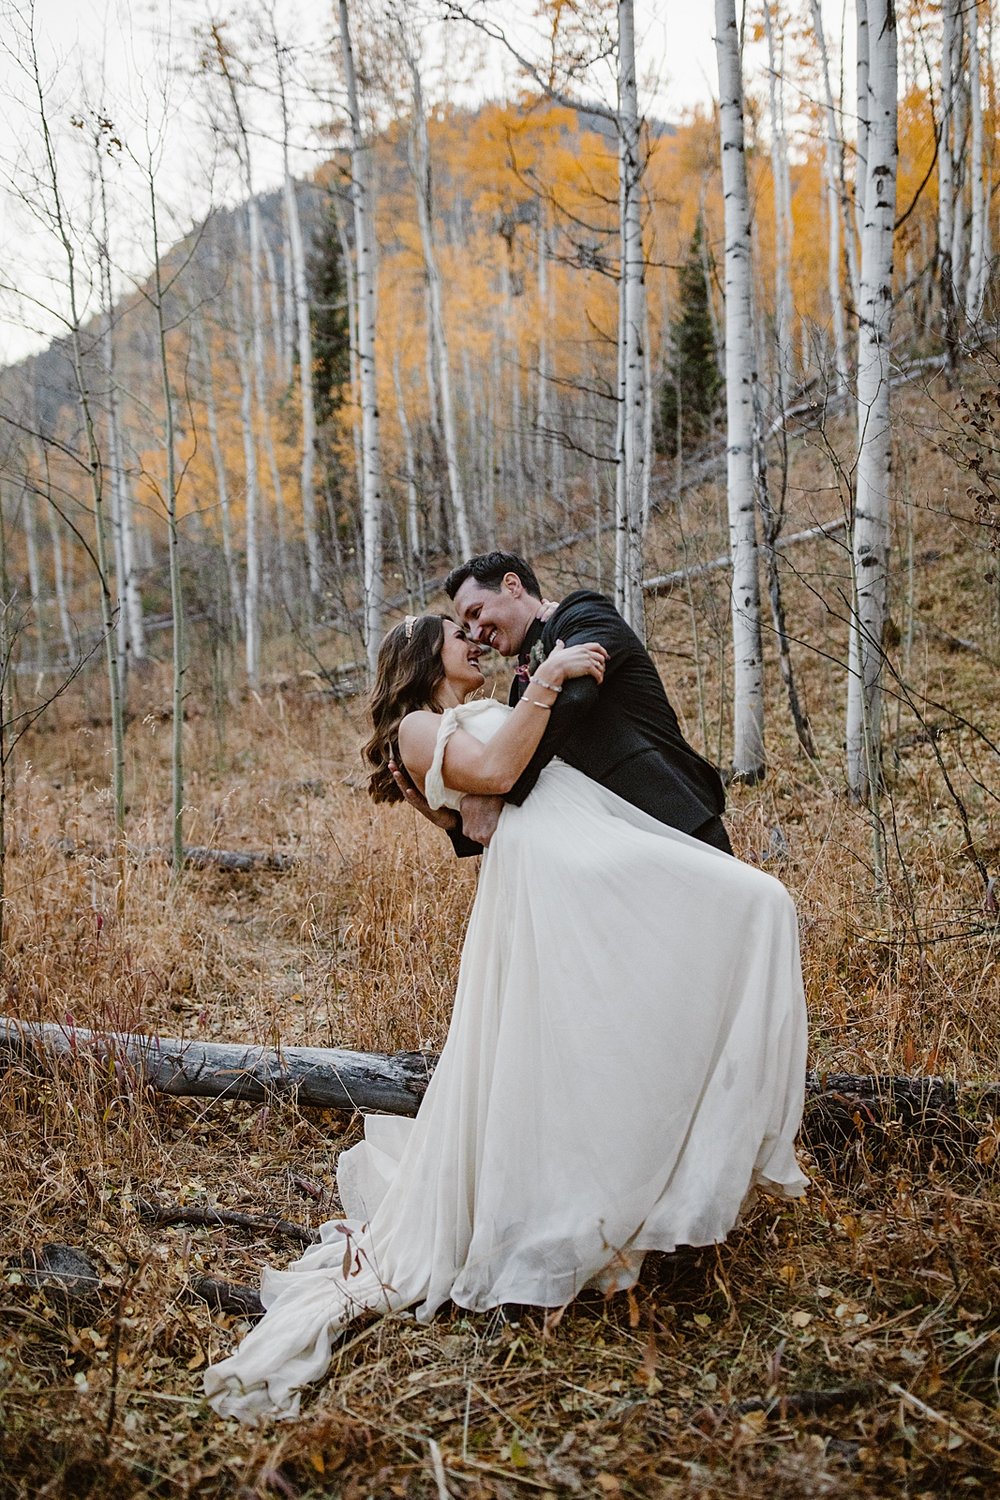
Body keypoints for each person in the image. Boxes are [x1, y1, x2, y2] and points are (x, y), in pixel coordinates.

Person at [204, 612, 808, 1425]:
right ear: (425, 658)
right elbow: (491, 771)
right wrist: (551, 678)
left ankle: (664, 1167)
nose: (475, 641)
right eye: (459, 635)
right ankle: (591, 1206)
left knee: (685, 959)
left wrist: (540, 693)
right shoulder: (418, 726)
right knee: (740, 911)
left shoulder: (463, 711)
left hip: (575, 854)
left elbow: (491, 798)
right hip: (554, 870)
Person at [392, 551, 732, 856]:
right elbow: (535, 791)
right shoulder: (520, 692)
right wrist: (456, 823)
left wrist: (500, 791)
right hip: (607, 847)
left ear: (512, 585)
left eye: (476, 613)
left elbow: (577, 693)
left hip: (671, 810)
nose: (477, 633)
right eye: (466, 627)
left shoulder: (581, 615)